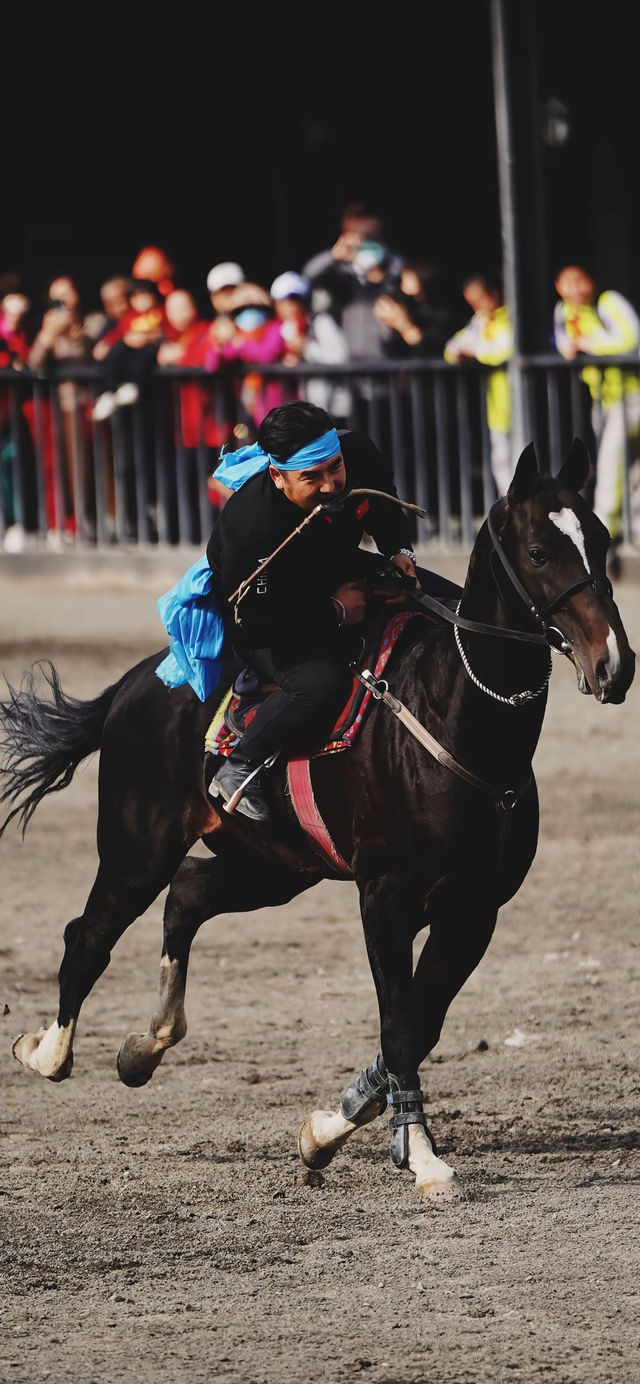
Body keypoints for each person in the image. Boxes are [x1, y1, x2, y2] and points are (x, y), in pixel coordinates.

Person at [205, 400, 456, 822]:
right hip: (264, 612)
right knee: (319, 684)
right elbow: (251, 625)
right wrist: (335, 612)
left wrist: (399, 554)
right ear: (277, 477)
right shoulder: (250, 529)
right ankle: (239, 765)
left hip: (336, 566)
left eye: (334, 468)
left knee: (451, 608)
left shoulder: (357, 451)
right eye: (311, 477)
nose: (330, 485)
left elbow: (384, 505)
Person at [552, 264, 640, 554]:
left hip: (630, 395)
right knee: (628, 466)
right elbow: (563, 342)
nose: (575, 289)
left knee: (611, 462)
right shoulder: (564, 311)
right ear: (558, 287)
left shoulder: (609, 302)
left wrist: (588, 344)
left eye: (580, 280)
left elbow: (631, 340)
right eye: (568, 283)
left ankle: (600, 535)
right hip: (602, 397)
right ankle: (633, 529)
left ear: (591, 280)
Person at [444, 273, 514, 496]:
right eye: (472, 303)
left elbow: (504, 350)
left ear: (495, 294)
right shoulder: (481, 321)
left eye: (480, 300)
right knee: (501, 458)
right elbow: (453, 347)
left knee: (518, 456)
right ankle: (511, 506)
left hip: (517, 398)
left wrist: (474, 353)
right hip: (497, 404)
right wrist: (459, 352)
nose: (477, 307)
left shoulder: (510, 317)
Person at [91, 279, 169, 419]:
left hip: (152, 395)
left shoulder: (160, 313)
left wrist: (147, 337)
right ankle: (109, 392)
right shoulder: (129, 318)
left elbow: (167, 331)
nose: (118, 307)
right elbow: (118, 334)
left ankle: (132, 385)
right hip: (123, 401)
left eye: (120, 300)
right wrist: (107, 343)